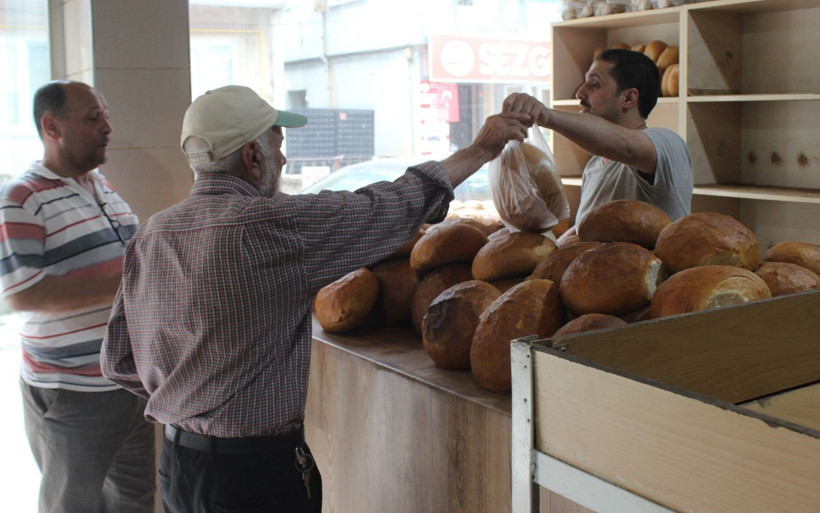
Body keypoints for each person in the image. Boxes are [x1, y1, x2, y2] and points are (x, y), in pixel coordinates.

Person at [99, 84, 531, 513]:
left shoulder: (151, 235)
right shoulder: (268, 227)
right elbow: (394, 204)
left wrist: (188, 397)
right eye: (277, 145)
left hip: (179, 465)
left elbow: (117, 360)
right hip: (253, 475)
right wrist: (481, 149)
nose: (283, 159)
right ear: (252, 157)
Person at [0, 81, 155, 513]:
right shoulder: (21, 198)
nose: (107, 127)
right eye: (93, 118)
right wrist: (136, 280)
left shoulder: (102, 187)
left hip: (129, 382)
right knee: (73, 505)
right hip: (73, 391)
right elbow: (25, 295)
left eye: (105, 115)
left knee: (134, 500)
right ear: (52, 127)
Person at [503, 48, 693, 242]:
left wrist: (545, 115)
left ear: (628, 98)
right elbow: (589, 227)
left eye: (594, 84)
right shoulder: (594, 166)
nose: (580, 92)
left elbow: (626, 145)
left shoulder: (668, 144)